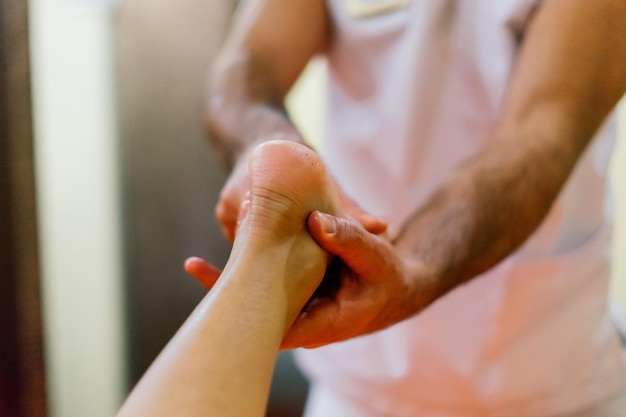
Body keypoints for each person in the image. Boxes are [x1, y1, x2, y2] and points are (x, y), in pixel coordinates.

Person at [188, 0, 626, 415]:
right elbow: (248, 68)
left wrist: (409, 264)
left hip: (552, 378)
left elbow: (542, 132)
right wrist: (264, 152)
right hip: (358, 385)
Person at [117, 140, 347, 416]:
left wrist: (412, 277)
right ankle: (270, 259)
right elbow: (238, 96)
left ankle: (268, 261)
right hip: (345, 389)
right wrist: (268, 132)